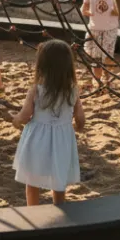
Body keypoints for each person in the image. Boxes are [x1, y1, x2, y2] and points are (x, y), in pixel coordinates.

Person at [11, 39, 84, 206]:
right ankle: (59, 205)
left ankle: (33, 208)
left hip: (38, 139)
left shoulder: (36, 90)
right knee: (59, 178)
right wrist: (78, 127)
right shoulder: (72, 91)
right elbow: (80, 116)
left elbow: (25, 115)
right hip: (62, 138)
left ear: (42, 66)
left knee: (32, 178)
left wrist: (15, 121)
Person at [81, 0, 119, 88]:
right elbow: (84, 7)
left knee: (107, 56)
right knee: (95, 58)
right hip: (94, 29)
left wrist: (116, 11)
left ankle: (108, 80)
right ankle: (97, 80)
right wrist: (85, 11)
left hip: (109, 29)